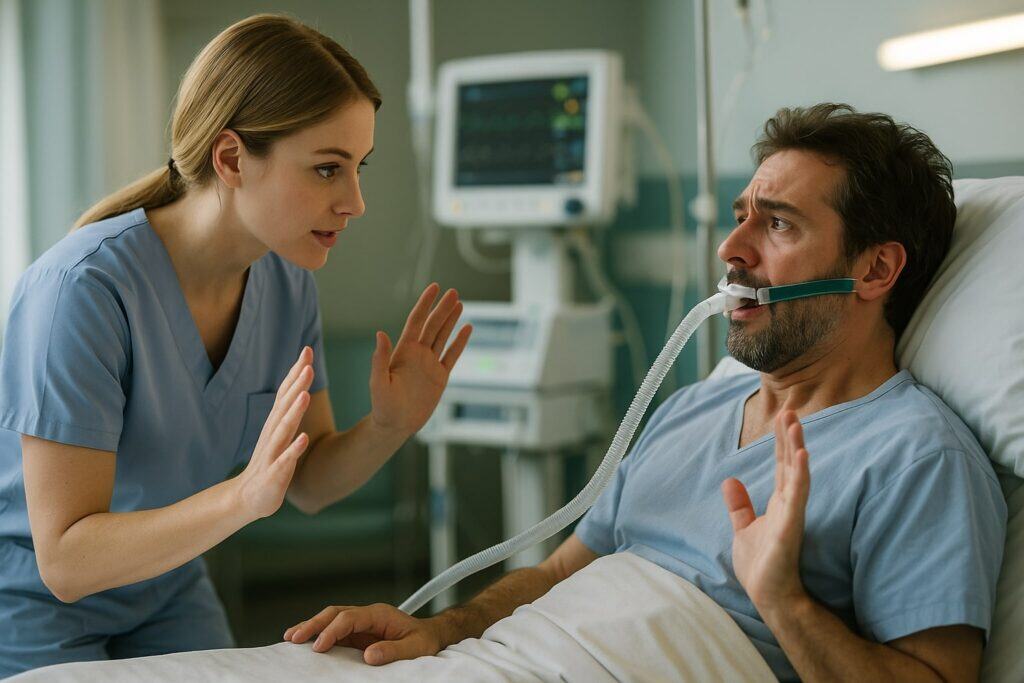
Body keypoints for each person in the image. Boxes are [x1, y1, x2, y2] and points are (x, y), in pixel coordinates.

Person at [282, 104, 1007, 683]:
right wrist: (440, 629)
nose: (732, 249)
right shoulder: (694, 408)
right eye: (740, 215)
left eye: (778, 222)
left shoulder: (915, 455)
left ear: (875, 269)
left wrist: (784, 601)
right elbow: (561, 570)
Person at [0, 13, 471, 679]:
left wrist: (390, 427)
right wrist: (242, 497)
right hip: (29, 599)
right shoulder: (81, 292)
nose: (356, 202)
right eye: (328, 169)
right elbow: (66, 560)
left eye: (358, 168)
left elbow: (307, 482)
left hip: (165, 588)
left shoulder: (285, 278)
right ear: (230, 159)